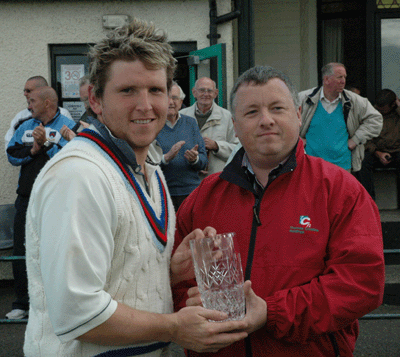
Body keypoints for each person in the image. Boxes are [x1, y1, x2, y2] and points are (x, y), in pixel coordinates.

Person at [23, 19, 261, 357]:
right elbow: (77, 314)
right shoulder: (78, 176)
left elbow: (119, 275)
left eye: (155, 90)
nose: (145, 105)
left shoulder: (148, 168)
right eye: (127, 90)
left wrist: (169, 270)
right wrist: (175, 327)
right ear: (95, 98)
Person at [173, 65, 385, 356]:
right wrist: (184, 301)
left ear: (298, 116)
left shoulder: (340, 191)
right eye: (251, 112)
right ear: (235, 125)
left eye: (277, 108)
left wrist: (271, 313)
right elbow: (174, 285)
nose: (266, 120)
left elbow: (361, 283)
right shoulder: (203, 198)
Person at [6, 86, 75, 320]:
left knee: (55, 249)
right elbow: (11, 154)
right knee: (21, 248)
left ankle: (52, 302)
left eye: (32, 101)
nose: (28, 106)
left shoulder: (67, 125)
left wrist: (46, 145)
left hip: (56, 197)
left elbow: (73, 155)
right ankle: (22, 302)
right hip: (26, 197)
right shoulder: (24, 125)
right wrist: (34, 148)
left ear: (47, 103)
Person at [299, 62, 382, 172]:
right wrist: (297, 139)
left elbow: (376, 119)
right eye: (339, 77)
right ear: (326, 79)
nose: (343, 81)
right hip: (310, 165)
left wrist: (356, 139)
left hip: (342, 166)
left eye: (344, 77)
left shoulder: (354, 100)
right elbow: (284, 120)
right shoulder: (304, 98)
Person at [156, 82, 207, 211]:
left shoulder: (190, 122)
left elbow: (203, 160)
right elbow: (145, 162)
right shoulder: (153, 125)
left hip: (191, 191)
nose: (171, 102)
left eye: (174, 98)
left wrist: (194, 159)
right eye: (167, 98)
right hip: (163, 192)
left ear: (181, 101)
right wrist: (166, 158)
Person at [180, 77, 239, 177]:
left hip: (217, 179)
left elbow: (238, 150)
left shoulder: (227, 116)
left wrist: (217, 146)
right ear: (194, 92)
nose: (205, 94)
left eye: (209, 91)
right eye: (202, 90)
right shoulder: (181, 116)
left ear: (215, 93)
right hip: (188, 179)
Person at [4, 76, 73, 151]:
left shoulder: (63, 115)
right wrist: (31, 153)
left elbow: (68, 149)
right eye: (24, 90)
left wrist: (45, 143)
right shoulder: (20, 117)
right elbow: (10, 148)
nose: (25, 94)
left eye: (28, 91)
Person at [356, 89, 400, 200]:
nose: (379, 110)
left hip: (396, 151)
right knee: (362, 160)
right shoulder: (370, 114)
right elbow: (364, 138)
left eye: (382, 109)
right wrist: (377, 153)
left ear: (393, 105)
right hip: (376, 151)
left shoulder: (397, 115)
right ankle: (369, 201)